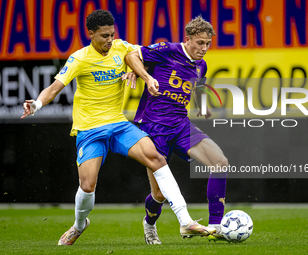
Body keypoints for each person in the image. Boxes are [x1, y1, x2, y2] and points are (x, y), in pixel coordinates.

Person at [21, 10, 216, 246]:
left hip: (119, 125)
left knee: (156, 158)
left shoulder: (121, 47)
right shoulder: (79, 58)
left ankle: (185, 221)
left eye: (112, 34)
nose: (109, 40)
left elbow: (138, 54)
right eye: (104, 36)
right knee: (87, 185)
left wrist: (138, 72)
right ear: (91, 34)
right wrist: (37, 104)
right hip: (90, 129)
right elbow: (54, 88)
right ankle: (80, 224)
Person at [125, 16, 228, 244]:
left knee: (220, 162)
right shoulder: (168, 50)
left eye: (208, 44)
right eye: (200, 43)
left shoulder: (202, 65)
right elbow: (132, 55)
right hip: (153, 128)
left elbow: (197, 85)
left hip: (181, 125)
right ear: (187, 39)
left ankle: (215, 226)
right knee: (159, 195)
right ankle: (149, 223)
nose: (204, 48)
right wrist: (145, 75)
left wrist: (202, 103)